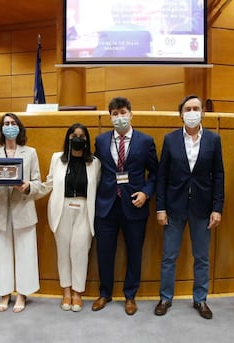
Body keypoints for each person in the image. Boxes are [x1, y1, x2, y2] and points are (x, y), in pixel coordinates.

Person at [153, 95, 224, 319]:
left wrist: (217, 207)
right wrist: (160, 207)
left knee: (201, 257)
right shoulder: (170, 139)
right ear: (181, 114)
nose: (192, 112)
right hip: (174, 207)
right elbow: (162, 175)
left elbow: (219, 175)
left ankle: (200, 299)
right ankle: (165, 297)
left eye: (196, 108)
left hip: (203, 208)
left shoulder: (213, 139)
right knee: (169, 256)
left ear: (202, 112)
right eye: (188, 109)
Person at [92, 96, 158, 315]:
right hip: (106, 205)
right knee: (104, 252)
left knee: (134, 252)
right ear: (109, 116)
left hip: (135, 205)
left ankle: (130, 295)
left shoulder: (146, 141)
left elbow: (156, 173)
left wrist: (146, 193)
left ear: (131, 114)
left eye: (122, 112)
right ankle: (105, 293)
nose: (119, 117)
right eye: (114, 113)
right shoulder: (101, 141)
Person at [0, 113, 46, 313]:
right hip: (0, 210)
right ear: (1, 129)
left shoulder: (30, 153)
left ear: (19, 127)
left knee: (26, 253)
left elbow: (38, 183)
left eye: (13, 123)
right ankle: (4, 293)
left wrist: (27, 187)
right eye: (6, 124)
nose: (9, 126)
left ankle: (23, 294)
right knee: (1, 254)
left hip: (23, 209)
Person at [45, 123, 101, 312]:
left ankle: (78, 292)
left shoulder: (94, 162)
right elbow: (49, 183)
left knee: (80, 251)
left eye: (81, 136)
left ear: (86, 140)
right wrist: (29, 188)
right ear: (68, 138)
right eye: (73, 135)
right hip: (62, 208)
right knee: (63, 252)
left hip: (84, 209)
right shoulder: (57, 159)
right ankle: (66, 291)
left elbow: (98, 186)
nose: (77, 138)